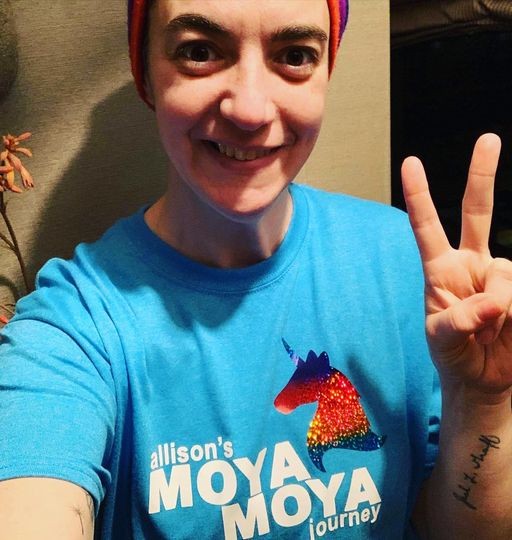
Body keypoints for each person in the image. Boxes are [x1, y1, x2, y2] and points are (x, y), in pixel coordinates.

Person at [0, 0, 511, 538]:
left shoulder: (403, 260)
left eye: (295, 55)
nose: (249, 110)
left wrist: (484, 403)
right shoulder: (76, 326)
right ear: (145, 75)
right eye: (199, 51)